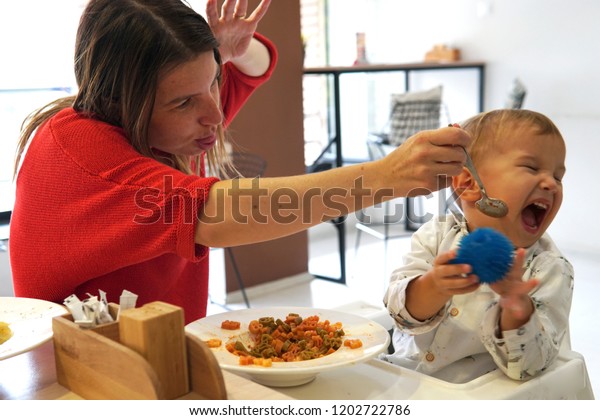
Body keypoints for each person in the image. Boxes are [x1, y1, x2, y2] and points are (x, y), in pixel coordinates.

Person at [10, 0, 470, 324]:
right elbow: (218, 210)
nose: (215, 115)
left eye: (212, 82)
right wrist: (385, 177)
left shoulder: (166, 122)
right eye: (185, 101)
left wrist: (225, 51)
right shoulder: (82, 152)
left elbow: (258, 62)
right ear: (121, 100)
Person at [381, 109, 573, 381]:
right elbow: (401, 315)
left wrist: (516, 309)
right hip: (405, 378)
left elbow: (530, 367)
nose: (551, 184)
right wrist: (434, 285)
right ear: (470, 184)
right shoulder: (435, 235)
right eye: (531, 167)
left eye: (558, 176)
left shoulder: (550, 268)